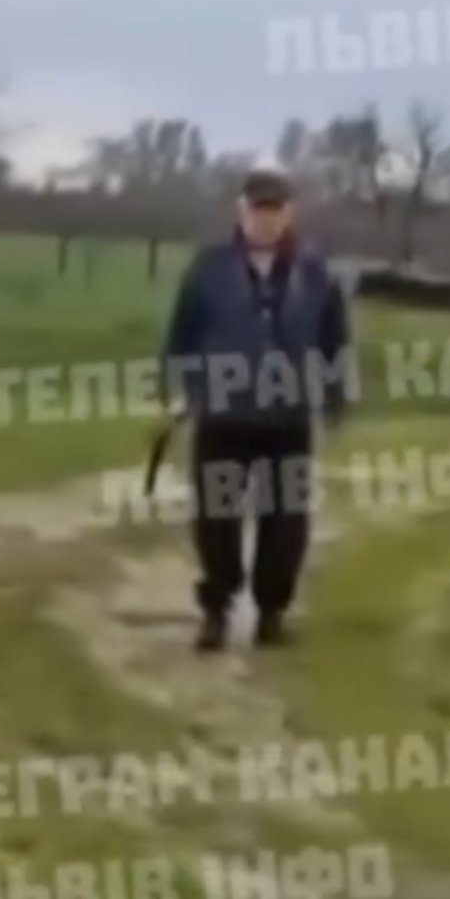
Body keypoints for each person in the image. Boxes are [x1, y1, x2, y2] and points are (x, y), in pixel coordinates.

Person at [158, 168, 353, 652]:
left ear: (289, 213)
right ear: (241, 211)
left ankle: (272, 612)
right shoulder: (209, 268)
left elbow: (334, 341)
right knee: (216, 517)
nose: (265, 220)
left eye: (275, 210)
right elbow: (182, 334)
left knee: (286, 521)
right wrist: (177, 388)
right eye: (257, 210)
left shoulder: (315, 272)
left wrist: (334, 397)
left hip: (288, 417)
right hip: (222, 413)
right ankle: (217, 608)